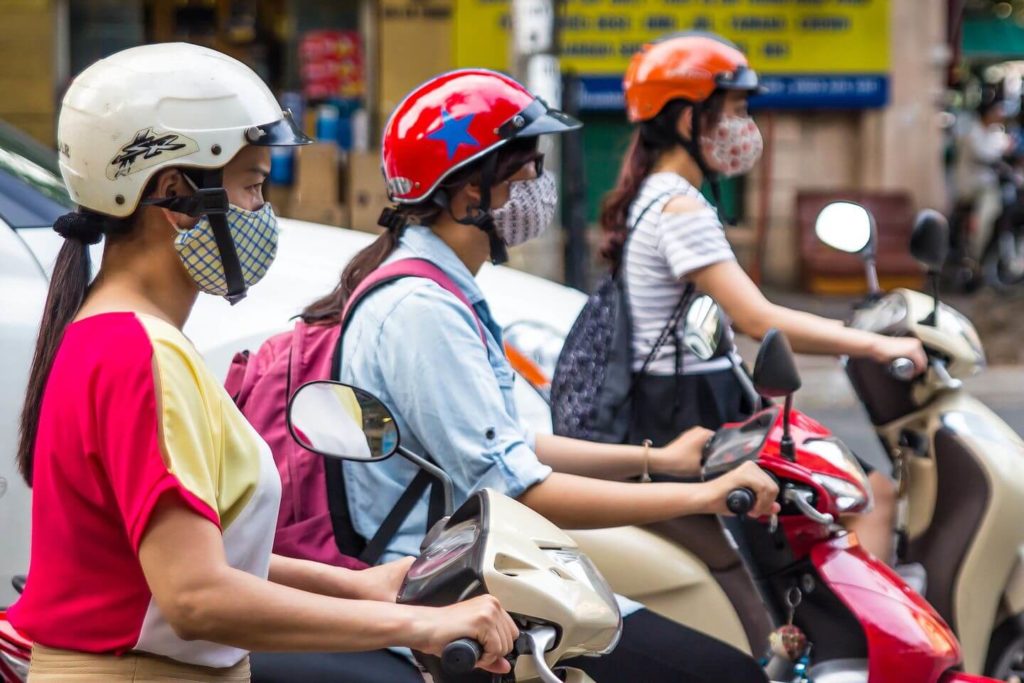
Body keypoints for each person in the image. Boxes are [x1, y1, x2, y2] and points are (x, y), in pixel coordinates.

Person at [10, 44, 516, 682]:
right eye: (252, 185)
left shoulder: (110, 334)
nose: (264, 213)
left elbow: (195, 556)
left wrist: (360, 586)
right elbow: (196, 597)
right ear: (174, 194)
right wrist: (420, 624)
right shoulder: (137, 352)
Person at [300, 68, 778, 682]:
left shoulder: (444, 289)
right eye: (525, 172)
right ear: (468, 192)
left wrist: (662, 460)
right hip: (451, 590)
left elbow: (513, 443)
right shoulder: (420, 309)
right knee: (721, 674)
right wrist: (705, 496)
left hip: (488, 568)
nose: (538, 188)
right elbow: (518, 487)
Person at [601, 32, 928, 562]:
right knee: (869, 495)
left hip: (678, 403)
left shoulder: (654, 197)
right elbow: (757, 318)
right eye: (735, 108)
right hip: (693, 411)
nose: (744, 126)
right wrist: (876, 346)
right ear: (689, 118)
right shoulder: (679, 210)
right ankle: (864, 641)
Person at [953, 95, 1011, 264]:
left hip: (987, 185)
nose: (1000, 115)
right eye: (996, 111)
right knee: (988, 212)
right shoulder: (973, 132)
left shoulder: (994, 133)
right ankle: (974, 255)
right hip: (972, 187)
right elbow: (985, 154)